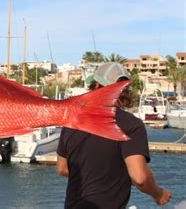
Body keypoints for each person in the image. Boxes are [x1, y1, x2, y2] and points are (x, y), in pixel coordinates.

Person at [56, 62, 172, 208]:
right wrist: (158, 193)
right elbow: (140, 177)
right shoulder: (131, 125)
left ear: (96, 85)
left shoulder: (72, 120)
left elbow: (62, 168)